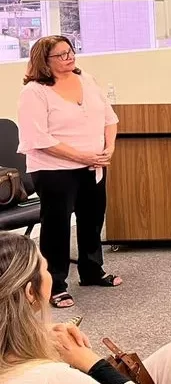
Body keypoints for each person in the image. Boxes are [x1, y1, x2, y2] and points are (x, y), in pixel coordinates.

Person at [0, 232, 171, 384]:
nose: (49, 274)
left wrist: (38, 333)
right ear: (30, 292)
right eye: (46, 269)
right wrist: (91, 363)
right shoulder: (51, 376)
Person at [15, 36, 121, 309]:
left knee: (92, 218)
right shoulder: (34, 92)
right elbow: (38, 138)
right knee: (57, 227)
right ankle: (55, 285)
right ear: (44, 61)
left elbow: (109, 118)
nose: (69, 57)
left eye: (70, 51)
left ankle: (92, 270)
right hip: (54, 169)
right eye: (61, 55)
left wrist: (108, 148)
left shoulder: (86, 79)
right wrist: (80, 156)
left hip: (93, 165)